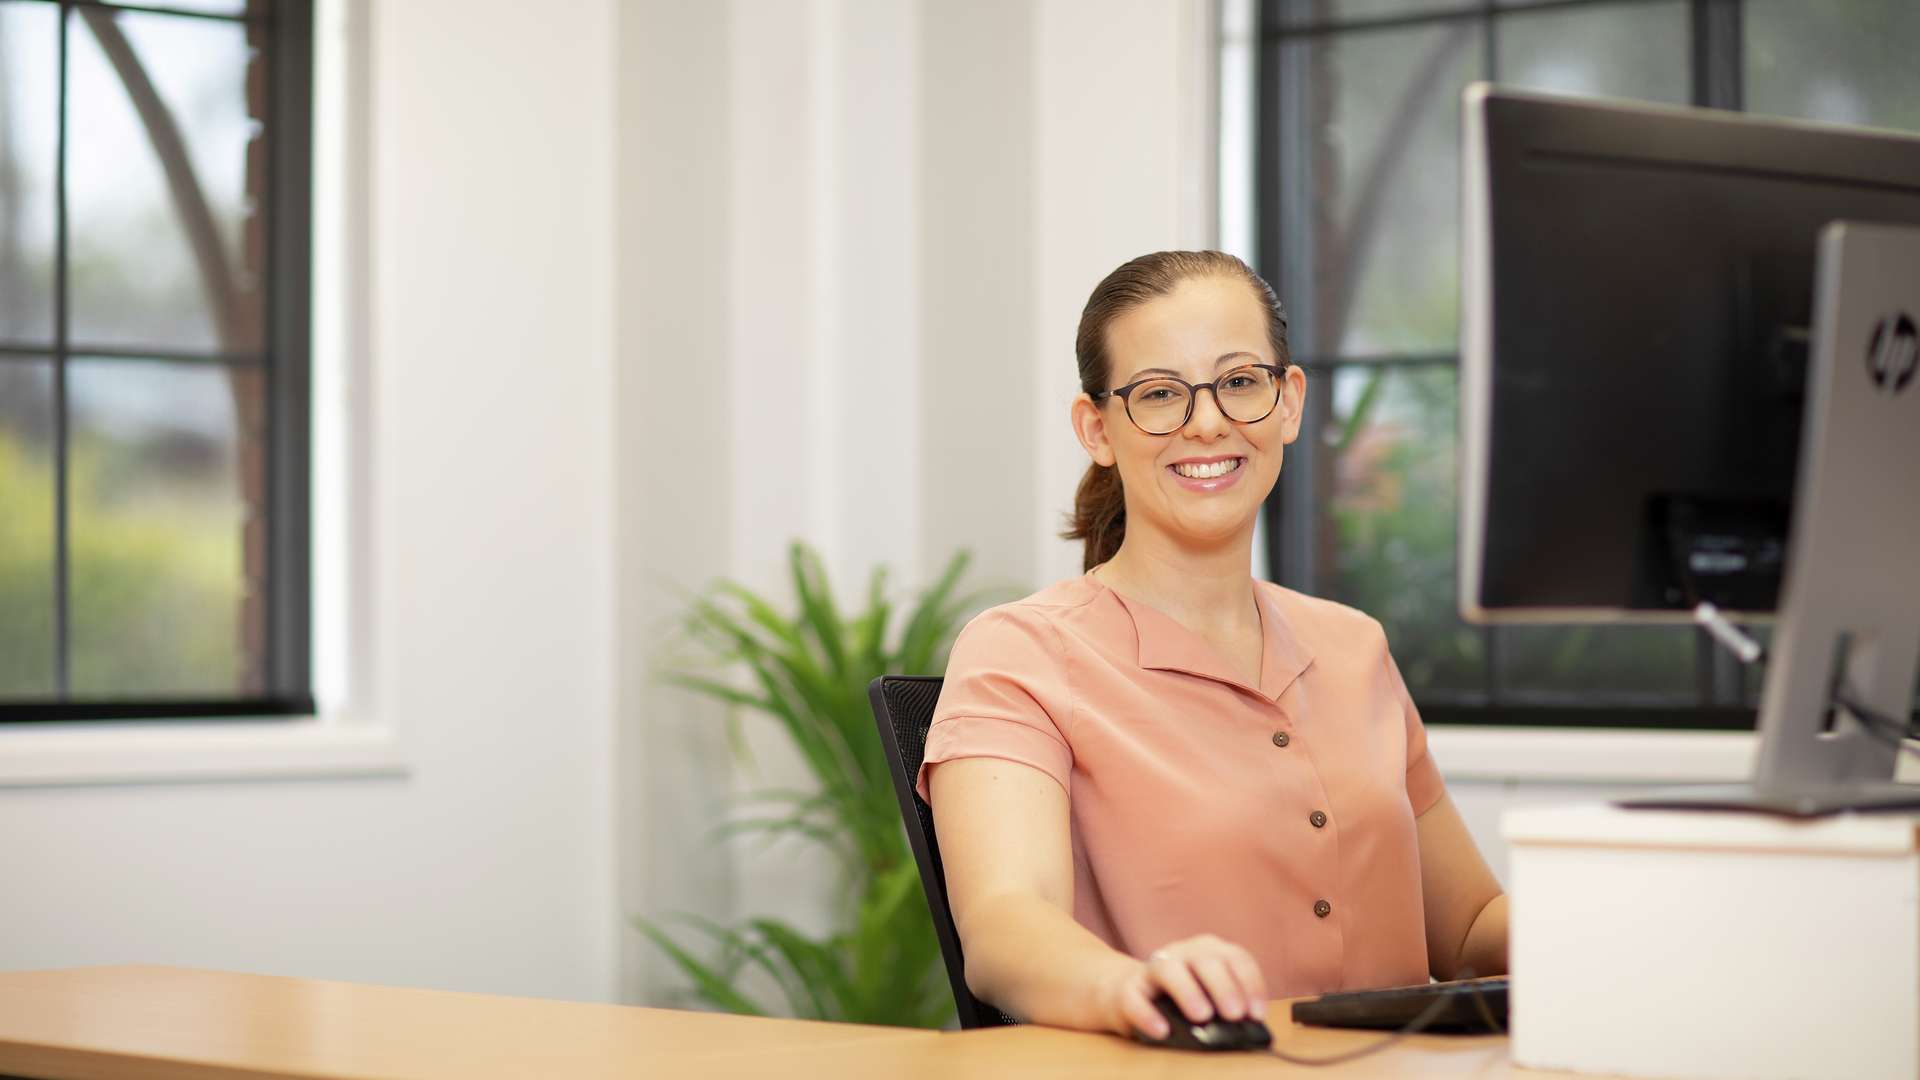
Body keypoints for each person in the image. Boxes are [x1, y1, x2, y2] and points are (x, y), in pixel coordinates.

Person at [913, 250, 1508, 1041]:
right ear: (1098, 428)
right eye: (1159, 394)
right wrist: (1131, 985)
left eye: (1238, 382)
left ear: (1287, 403)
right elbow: (1003, 929)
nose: (1207, 421)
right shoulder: (1020, 652)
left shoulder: (1353, 645)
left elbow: (1466, 932)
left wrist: (1626, 919)